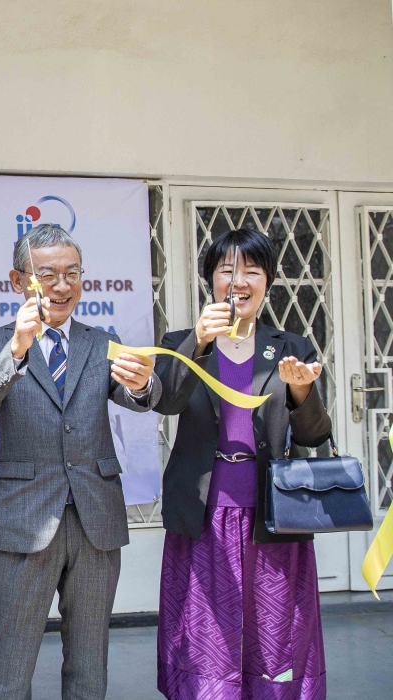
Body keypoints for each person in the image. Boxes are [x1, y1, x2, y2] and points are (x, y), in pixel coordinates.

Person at [0, 223, 158, 700]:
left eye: (73, 273)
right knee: (11, 662)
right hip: (25, 520)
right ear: (18, 281)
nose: (63, 286)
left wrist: (142, 384)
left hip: (95, 518)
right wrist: (19, 347)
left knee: (89, 661)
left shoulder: (101, 341)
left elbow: (138, 398)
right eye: (47, 274)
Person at [154, 228, 330, 699]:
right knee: (204, 632)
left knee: (275, 633)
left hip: (274, 517)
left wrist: (301, 391)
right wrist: (198, 340)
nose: (239, 280)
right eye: (226, 270)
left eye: (251, 270)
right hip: (204, 514)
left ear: (267, 281)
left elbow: (315, 434)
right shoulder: (180, 341)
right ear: (210, 280)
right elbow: (166, 403)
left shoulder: (291, 345)